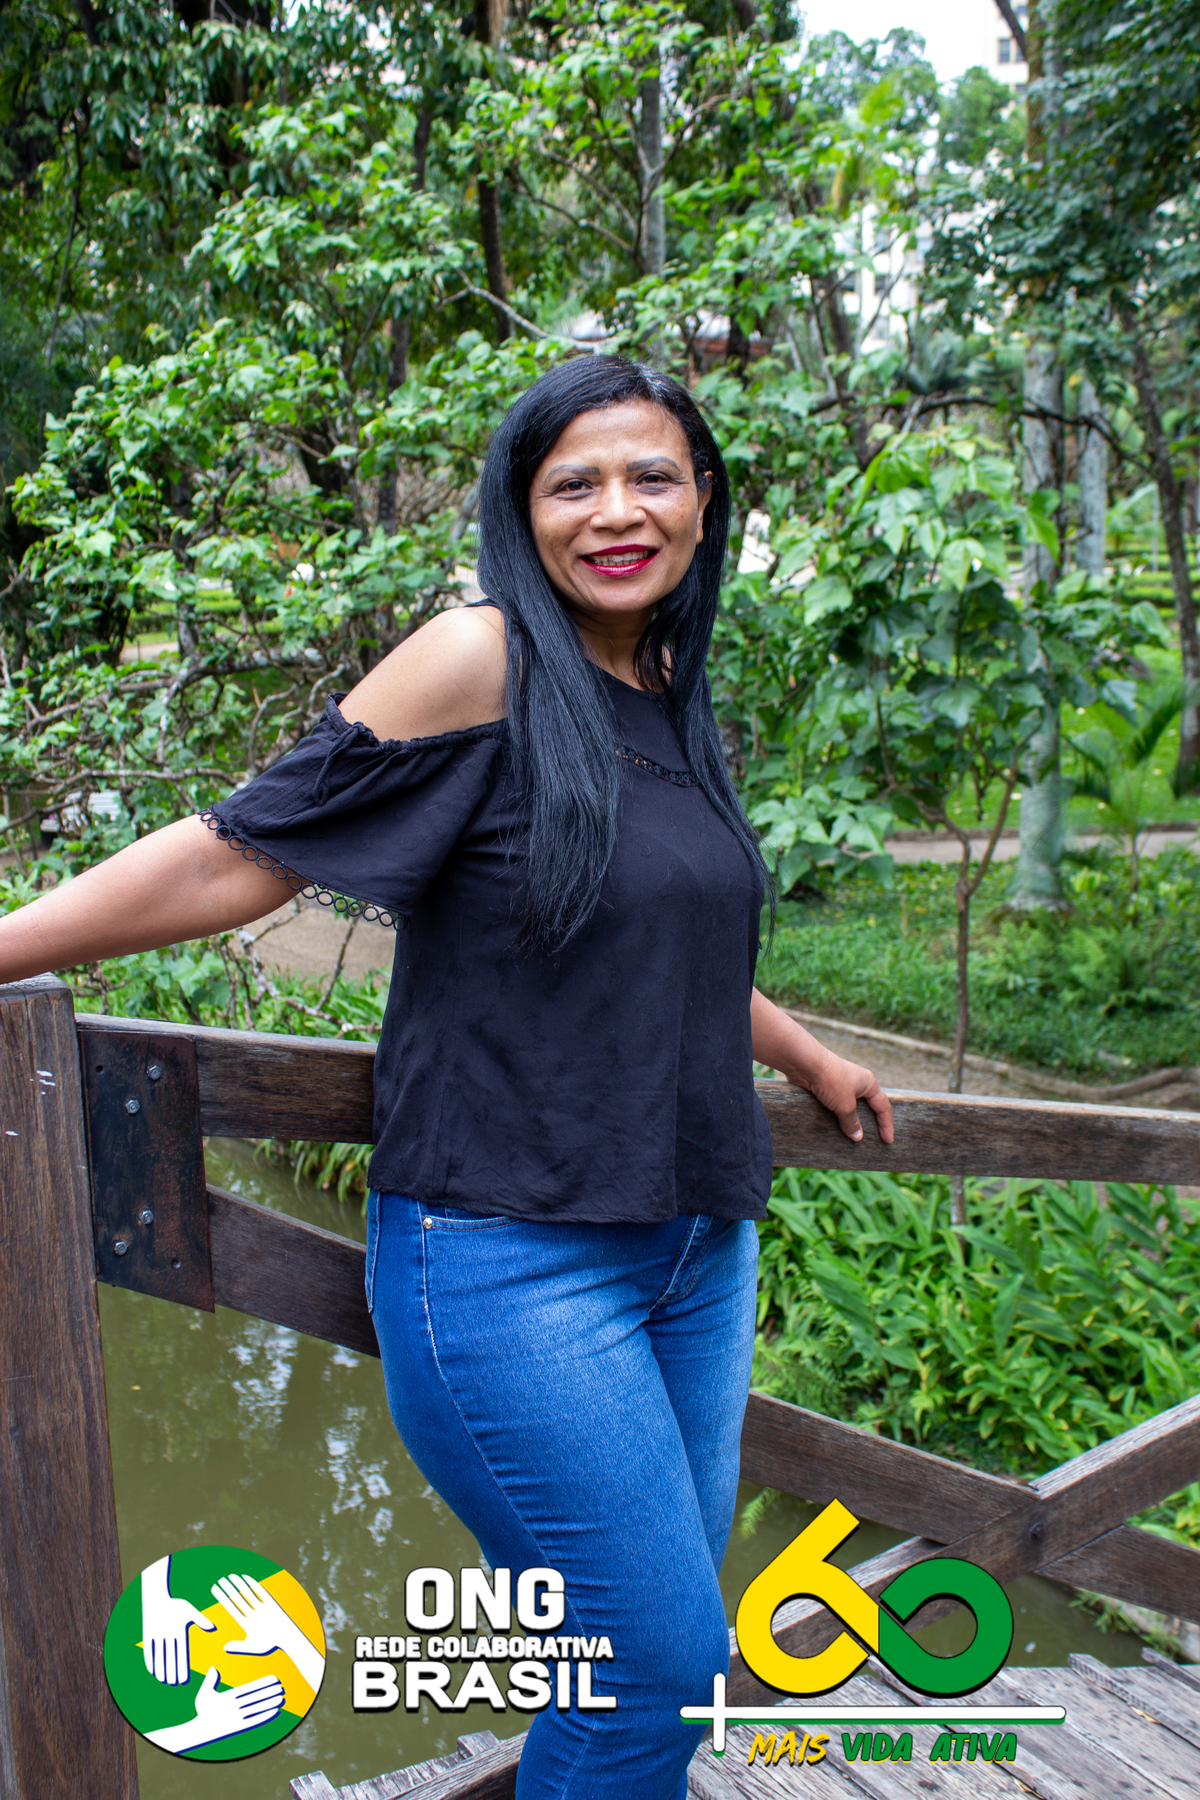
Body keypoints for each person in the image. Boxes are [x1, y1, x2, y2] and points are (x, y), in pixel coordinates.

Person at [0, 355, 892, 1797]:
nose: (618, 511)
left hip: (697, 1247)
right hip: (511, 1257)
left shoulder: (667, 688)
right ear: (519, 513)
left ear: (704, 503)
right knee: (650, 1668)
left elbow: (658, 938)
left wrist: (803, 1051)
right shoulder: (481, 657)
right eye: (574, 483)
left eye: (653, 476)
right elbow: (239, 856)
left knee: (643, 1674)